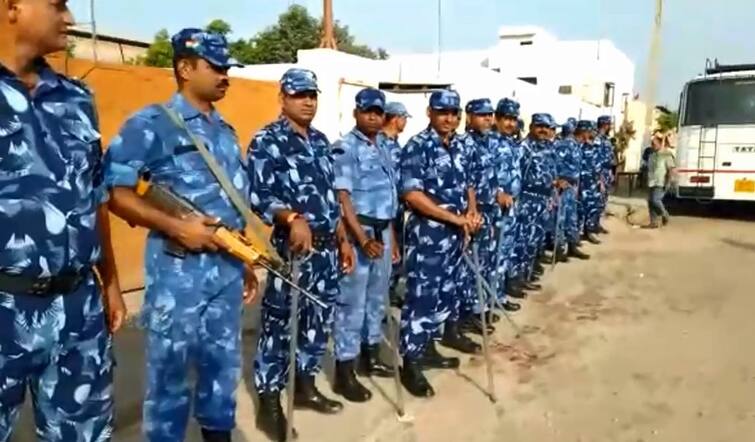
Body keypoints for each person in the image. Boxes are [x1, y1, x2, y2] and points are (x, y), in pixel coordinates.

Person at [104, 28, 254, 442]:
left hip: (225, 269)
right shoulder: (152, 124)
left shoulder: (225, 131)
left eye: (228, 69)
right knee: (170, 376)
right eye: (217, 67)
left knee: (222, 366)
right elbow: (115, 193)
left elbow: (234, 204)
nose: (225, 76)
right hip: (179, 272)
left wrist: (244, 262)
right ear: (185, 68)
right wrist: (176, 227)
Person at [0, 1, 126, 441]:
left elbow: (96, 198)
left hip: (79, 306)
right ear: (13, 6)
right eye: (57, 4)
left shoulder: (76, 97)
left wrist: (110, 282)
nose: (69, 18)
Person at [248, 68, 356, 440]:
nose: (308, 101)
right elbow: (260, 196)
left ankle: (305, 385)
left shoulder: (321, 141)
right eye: (299, 94)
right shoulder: (267, 140)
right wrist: (291, 217)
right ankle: (269, 401)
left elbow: (330, 197)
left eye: (312, 94)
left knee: (318, 321)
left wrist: (343, 239)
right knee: (279, 325)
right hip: (292, 251)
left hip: (327, 249)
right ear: (283, 98)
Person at [398, 90, 478, 397]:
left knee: (445, 293)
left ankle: (428, 347)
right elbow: (412, 194)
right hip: (428, 236)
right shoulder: (419, 146)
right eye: (443, 112)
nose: (449, 118)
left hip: (456, 236)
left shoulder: (460, 146)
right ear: (429, 112)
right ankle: (412, 363)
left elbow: (468, 182)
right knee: (421, 298)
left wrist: (472, 211)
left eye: (454, 112)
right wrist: (454, 219)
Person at [331, 88, 399, 403]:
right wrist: (361, 239)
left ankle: (369, 356)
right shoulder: (346, 148)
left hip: (383, 232)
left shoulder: (386, 146)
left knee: (376, 299)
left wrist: (392, 238)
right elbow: (343, 199)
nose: (373, 116)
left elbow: (390, 196)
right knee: (351, 304)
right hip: (361, 234)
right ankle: (344, 372)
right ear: (357, 113)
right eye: (367, 111)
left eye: (378, 112)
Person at [459, 98, 521, 337]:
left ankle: (478, 309)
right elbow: (466, 182)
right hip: (472, 213)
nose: (487, 119)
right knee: (469, 268)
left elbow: (490, 179)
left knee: (484, 262)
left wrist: (498, 195)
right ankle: (464, 316)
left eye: (489, 115)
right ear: (469, 116)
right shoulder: (464, 143)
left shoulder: (487, 143)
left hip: (491, 211)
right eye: (481, 114)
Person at [514, 114, 558, 286]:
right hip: (528, 200)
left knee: (535, 240)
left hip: (544, 200)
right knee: (523, 240)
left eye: (546, 127)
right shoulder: (524, 148)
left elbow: (550, 171)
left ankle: (527, 273)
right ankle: (516, 278)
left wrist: (554, 185)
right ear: (532, 126)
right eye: (539, 126)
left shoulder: (547, 147)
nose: (543, 130)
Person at [492, 98, 528, 301]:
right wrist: (498, 193)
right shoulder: (490, 143)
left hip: (512, 205)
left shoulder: (512, 144)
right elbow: (482, 175)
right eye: (506, 119)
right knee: (496, 253)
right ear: (497, 119)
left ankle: (501, 291)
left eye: (514, 119)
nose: (510, 124)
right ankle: (493, 297)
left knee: (506, 250)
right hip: (496, 207)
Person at [384, 102, 411, 308]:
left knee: (396, 255)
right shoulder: (383, 146)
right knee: (388, 256)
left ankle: (390, 292)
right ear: (396, 118)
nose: (405, 123)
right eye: (404, 118)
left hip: (399, 210)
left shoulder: (395, 145)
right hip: (386, 211)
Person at [554, 118, 589, 260]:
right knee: (561, 217)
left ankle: (572, 246)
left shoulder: (577, 145)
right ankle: (559, 249)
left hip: (572, 186)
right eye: (589, 132)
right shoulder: (566, 144)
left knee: (571, 217)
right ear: (583, 132)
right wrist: (560, 179)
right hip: (563, 186)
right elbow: (556, 163)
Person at [576, 121, 603, 245]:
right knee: (580, 208)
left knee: (593, 207)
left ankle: (590, 231)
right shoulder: (578, 146)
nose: (592, 133)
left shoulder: (595, 146)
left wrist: (600, 180)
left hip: (593, 182)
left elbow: (597, 165)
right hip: (581, 182)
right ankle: (577, 234)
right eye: (590, 131)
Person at [645, 133, 676, 229]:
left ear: (659, 143)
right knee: (650, 202)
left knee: (655, 200)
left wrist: (668, 182)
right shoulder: (652, 155)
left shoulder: (666, 154)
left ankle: (664, 214)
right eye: (652, 144)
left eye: (654, 144)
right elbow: (649, 168)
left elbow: (670, 169)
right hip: (651, 181)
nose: (652, 145)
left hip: (661, 181)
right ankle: (653, 222)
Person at [595, 115, 615, 234]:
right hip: (601, 172)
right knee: (598, 200)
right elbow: (596, 159)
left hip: (607, 171)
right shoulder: (598, 139)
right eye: (609, 124)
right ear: (604, 125)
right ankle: (592, 225)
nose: (610, 126)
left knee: (603, 200)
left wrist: (611, 172)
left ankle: (597, 223)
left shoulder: (605, 139)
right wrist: (600, 177)